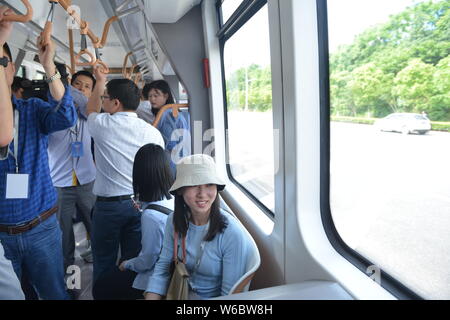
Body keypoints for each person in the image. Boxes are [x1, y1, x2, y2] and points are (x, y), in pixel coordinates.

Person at [0, 6, 76, 300]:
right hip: (2, 235)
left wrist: (50, 68)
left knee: (55, 293)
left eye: (3, 60)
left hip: (41, 228)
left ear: (10, 69)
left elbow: (67, 116)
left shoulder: (32, 110)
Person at [86, 66, 165, 286]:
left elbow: (90, 108)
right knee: (133, 259)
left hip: (108, 207)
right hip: (141, 205)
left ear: (116, 103)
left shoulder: (102, 125)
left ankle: (104, 294)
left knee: (103, 259)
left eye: (105, 98)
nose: (102, 101)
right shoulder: (153, 133)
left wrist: (99, 79)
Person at [144, 154, 254, 299]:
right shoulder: (173, 221)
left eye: (209, 184)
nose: (202, 194)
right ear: (181, 190)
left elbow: (229, 296)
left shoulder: (231, 233)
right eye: (194, 185)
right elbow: (162, 269)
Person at [92, 143, 174, 299]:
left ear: (139, 176)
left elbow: (147, 260)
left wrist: (127, 264)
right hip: (170, 266)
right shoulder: (174, 199)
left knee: (101, 288)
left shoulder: (150, 216)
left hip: (157, 277)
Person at [47, 69, 97, 271]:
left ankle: (98, 256)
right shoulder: (53, 111)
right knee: (63, 228)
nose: (81, 89)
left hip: (87, 179)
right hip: (60, 180)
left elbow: (92, 106)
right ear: (69, 85)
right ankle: (66, 264)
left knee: (94, 222)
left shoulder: (90, 115)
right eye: (77, 84)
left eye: (87, 87)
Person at [145, 80, 191, 171]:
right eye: (150, 96)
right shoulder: (167, 113)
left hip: (172, 163)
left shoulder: (168, 116)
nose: (152, 99)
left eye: (156, 95)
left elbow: (170, 144)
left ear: (166, 96)